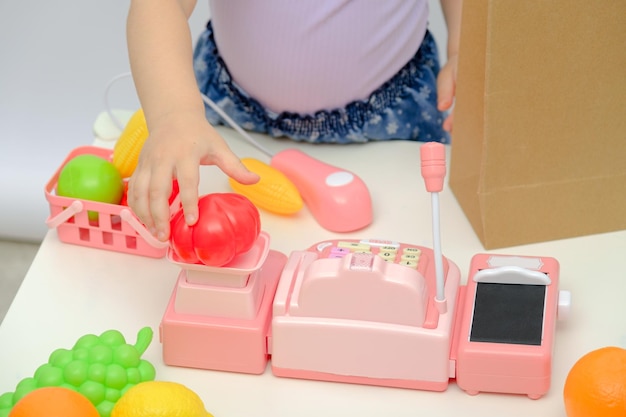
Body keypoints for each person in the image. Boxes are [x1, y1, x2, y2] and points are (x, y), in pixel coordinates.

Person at [126, 0, 462, 242]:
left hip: (397, 113)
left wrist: (465, 47)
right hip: (227, 112)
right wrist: (174, 115)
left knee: (427, 228)